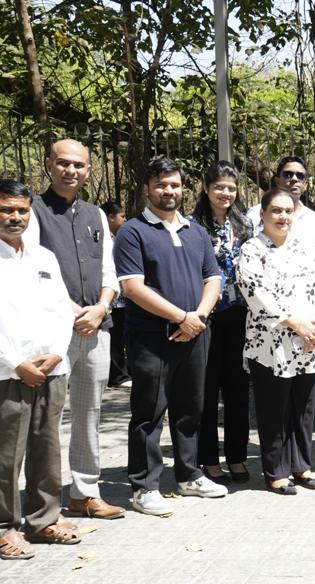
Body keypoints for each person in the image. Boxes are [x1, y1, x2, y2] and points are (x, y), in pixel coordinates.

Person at [0, 179, 80, 559]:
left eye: (22, 210)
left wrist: (56, 352)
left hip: (51, 369)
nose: (15, 217)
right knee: (5, 456)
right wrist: (17, 363)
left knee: (47, 448)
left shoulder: (43, 257)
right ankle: (2, 529)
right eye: (6, 210)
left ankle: (43, 520)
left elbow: (60, 309)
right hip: (4, 374)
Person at [114, 158, 227, 516]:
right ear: (147, 188)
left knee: (190, 408)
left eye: (175, 185)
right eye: (161, 185)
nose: (169, 191)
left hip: (196, 333)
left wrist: (199, 317)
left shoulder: (195, 230)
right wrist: (181, 317)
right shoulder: (133, 231)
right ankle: (144, 486)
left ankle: (189, 475)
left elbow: (214, 279)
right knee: (149, 412)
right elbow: (132, 287)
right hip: (153, 336)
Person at [22, 139, 125, 520]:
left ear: (88, 169)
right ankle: (43, 504)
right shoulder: (31, 212)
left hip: (97, 329)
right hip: (53, 332)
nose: (71, 171)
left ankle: (85, 493)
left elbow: (110, 272)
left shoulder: (97, 215)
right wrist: (72, 312)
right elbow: (30, 271)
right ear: (48, 164)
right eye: (63, 163)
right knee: (45, 418)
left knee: (89, 414)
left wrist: (100, 308)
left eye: (79, 165)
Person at [237, 187, 315, 494]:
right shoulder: (252, 249)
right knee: (273, 408)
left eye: (288, 211)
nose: (282, 217)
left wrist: (314, 323)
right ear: (262, 214)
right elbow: (256, 292)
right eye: (276, 211)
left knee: (303, 407)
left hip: (309, 341)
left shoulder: (306, 246)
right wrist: (295, 324)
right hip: (271, 344)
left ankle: (301, 466)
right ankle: (276, 471)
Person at [247, 155, 315, 454]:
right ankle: (278, 451)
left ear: (306, 182)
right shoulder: (253, 217)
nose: (294, 180)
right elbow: (255, 281)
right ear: (277, 178)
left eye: (300, 176)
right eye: (287, 174)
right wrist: (291, 319)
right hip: (275, 325)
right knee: (276, 390)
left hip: (312, 322)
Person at [188, 161, 252, 485]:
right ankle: (209, 460)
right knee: (208, 390)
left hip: (241, 315)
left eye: (230, 187)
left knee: (238, 388)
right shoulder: (192, 225)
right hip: (207, 316)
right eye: (219, 187)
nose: (225, 193)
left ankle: (238, 456)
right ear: (206, 188)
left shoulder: (244, 225)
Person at [101, 201, 131, 389]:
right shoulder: (103, 239)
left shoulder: (118, 238)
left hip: (124, 299)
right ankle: (117, 376)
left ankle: (125, 371)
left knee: (122, 337)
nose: (125, 219)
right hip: (111, 300)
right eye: (121, 216)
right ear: (110, 217)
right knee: (114, 339)